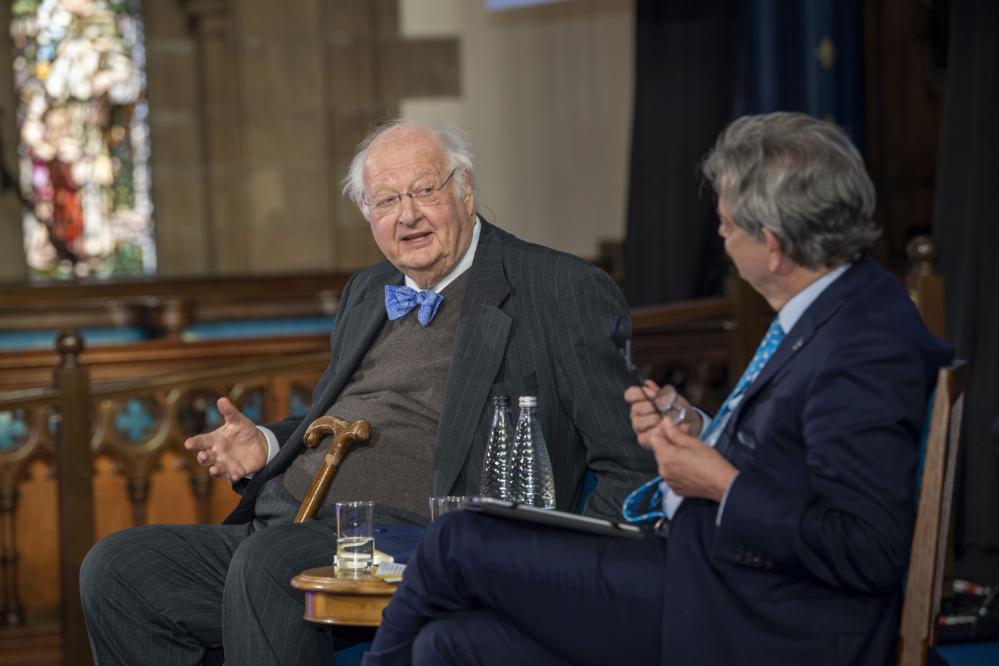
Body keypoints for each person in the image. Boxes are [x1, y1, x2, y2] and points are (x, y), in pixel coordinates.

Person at [362, 112, 954, 666]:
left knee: (457, 539)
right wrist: (701, 432)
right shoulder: (840, 310)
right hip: (711, 573)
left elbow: (865, 549)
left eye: (725, 226)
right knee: (450, 643)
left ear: (770, 244)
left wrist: (718, 481)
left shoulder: (860, 346)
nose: (722, 238)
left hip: (756, 611)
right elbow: (797, 451)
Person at [79, 120, 655, 665]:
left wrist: (556, 580)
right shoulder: (368, 288)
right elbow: (357, 413)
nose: (408, 216)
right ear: (366, 213)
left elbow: (628, 461)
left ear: (467, 191)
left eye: (424, 190)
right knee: (120, 567)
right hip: (292, 525)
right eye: (386, 201)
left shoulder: (560, 290)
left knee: (272, 564)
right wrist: (266, 440)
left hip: (428, 540)